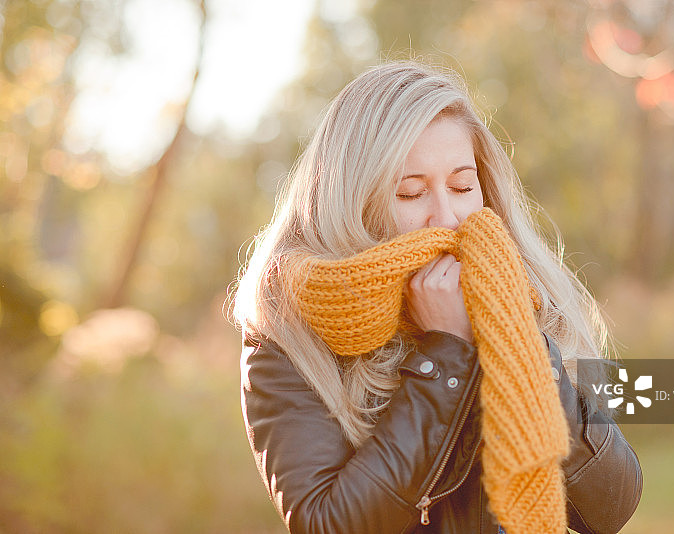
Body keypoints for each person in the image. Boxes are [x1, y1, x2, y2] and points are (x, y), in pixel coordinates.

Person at [231, 60, 642, 534]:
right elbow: (329, 523)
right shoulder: (288, 331)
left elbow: (612, 508)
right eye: (411, 193)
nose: (446, 218)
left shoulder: (518, 290)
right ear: (355, 203)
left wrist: (517, 340)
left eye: (462, 186)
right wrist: (445, 354)